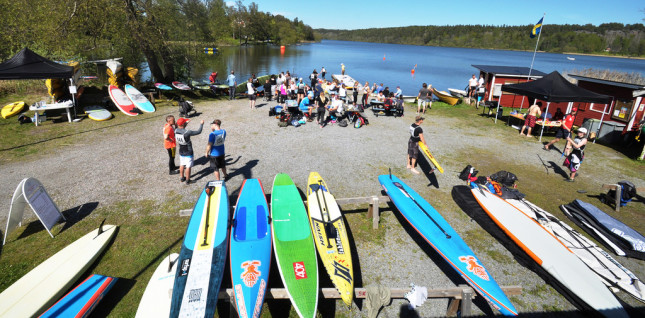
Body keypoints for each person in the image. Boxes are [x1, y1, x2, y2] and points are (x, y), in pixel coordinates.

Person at [175, 118, 204, 184]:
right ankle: (188, 180)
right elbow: (198, 131)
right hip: (188, 151)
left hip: (181, 150)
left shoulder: (175, 130)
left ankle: (182, 177)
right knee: (188, 166)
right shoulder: (188, 132)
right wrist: (201, 124)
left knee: (182, 164)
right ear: (183, 124)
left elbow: (181, 127)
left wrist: (186, 123)